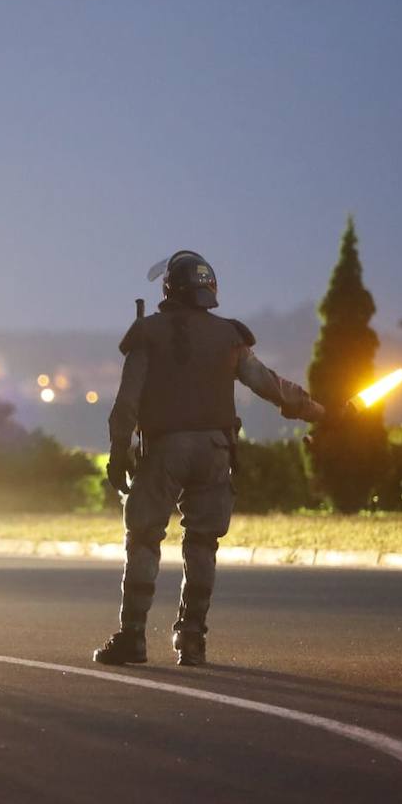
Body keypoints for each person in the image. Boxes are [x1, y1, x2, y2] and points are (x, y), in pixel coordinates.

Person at [96, 250, 326, 667]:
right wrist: (316, 412)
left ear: (170, 287)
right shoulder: (230, 337)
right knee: (202, 543)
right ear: (210, 289)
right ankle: (192, 640)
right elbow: (270, 385)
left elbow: (126, 404)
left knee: (144, 537)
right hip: (217, 452)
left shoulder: (147, 333)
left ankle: (132, 638)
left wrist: (117, 454)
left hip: (163, 451)